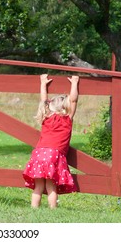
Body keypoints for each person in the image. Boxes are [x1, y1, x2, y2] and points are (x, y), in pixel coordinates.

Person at [22, 74, 79, 208]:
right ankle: (53, 210)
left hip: (39, 153)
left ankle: (34, 209)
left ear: (50, 106)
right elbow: (74, 101)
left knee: (38, 186)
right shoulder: (67, 119)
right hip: (53, 155)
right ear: (65, 107)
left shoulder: (46, 117)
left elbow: (43, 100)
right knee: (51, 186)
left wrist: (43, 83)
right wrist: (74, 83)